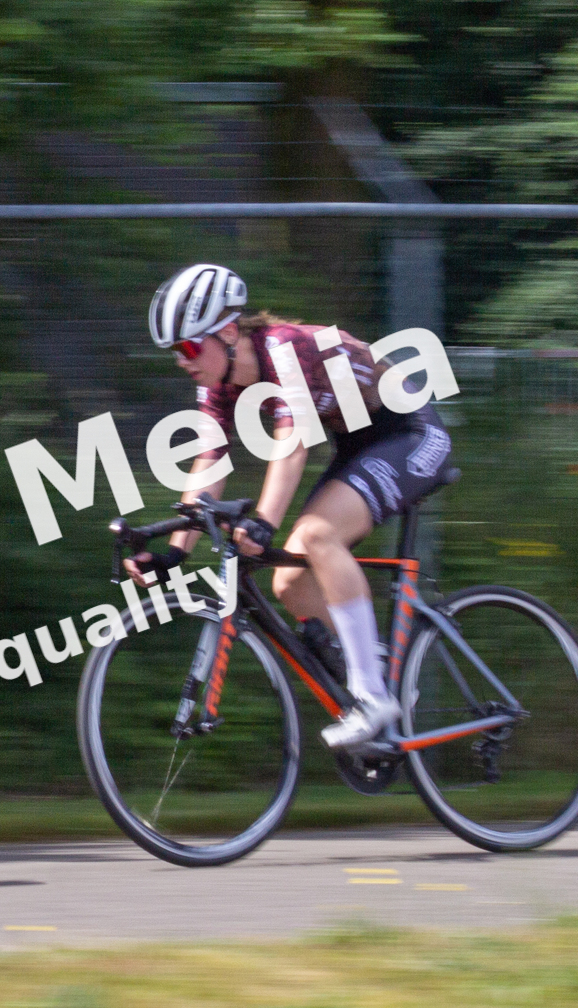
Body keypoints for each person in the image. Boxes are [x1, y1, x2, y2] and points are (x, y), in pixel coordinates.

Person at [136, 262, 453, 762]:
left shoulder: (284, 347)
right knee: (289, 581)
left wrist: (263, 521)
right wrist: (175, 553)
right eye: (176, 352)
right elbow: (209, 459)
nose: (183, 361)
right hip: (358, 443)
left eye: (189, 347)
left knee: (318, 536)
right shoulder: (217, 382)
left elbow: (293, 442)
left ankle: (372, 696)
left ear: (225, 331)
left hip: (409, 432)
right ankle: (378, 674)